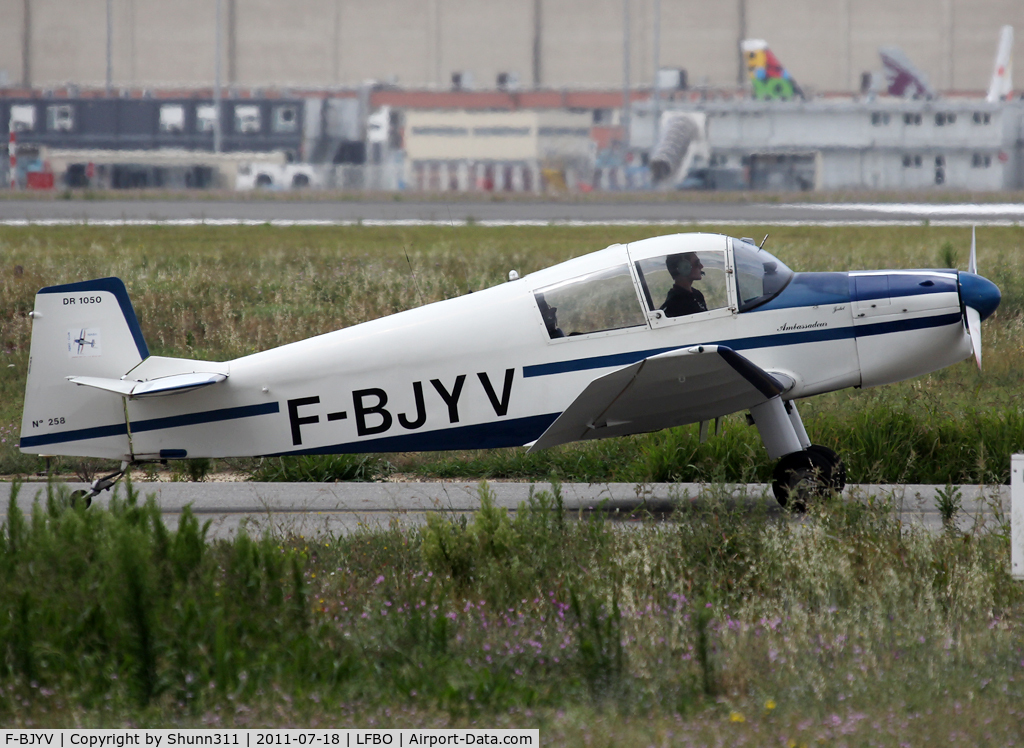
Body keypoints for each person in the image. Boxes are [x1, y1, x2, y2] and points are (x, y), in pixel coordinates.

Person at [660, 252, 708, 317]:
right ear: (684, 267)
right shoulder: (675, 304)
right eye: (697, 263)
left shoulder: (696, 294)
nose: (701, 266)